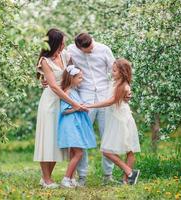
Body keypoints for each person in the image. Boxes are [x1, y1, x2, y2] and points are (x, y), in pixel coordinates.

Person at [33, 28, 87, 189]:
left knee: (58, 140)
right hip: (50, 103)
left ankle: (46, 178)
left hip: (63, 102)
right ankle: (46, 179)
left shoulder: (65, 56)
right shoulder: (45, 60)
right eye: (62, 42)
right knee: (47, 139)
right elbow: (55, 88)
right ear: (54, 43)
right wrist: (75, 103)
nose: (64, 45)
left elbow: (72, 74)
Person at [67, 33, 116, 185]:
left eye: (91, 48)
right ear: (78, 47)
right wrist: (45, 80)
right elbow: (61, 69)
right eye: (86, 50)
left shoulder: (103, 49)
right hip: (84, 99)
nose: (90, 51)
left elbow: (116, 71)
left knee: (107, 137)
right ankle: (82, 177)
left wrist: (123, 91)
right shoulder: (70, 51)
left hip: (105, 97)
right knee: (81, 139)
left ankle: (108, 176)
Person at [87, 58, 141, 185]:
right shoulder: (114, 83)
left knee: (117, 150)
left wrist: (91, 105)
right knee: (116, 150)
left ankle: (128, 175)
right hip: (114, 118)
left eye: (115, 71)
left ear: (122, 72)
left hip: (120, 119)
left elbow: (111, 101)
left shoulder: (123, 86)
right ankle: (128, 176)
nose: (112, 72)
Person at [58, 65, 97, 188]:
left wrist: (81, 108)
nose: (82, 80)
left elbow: (77, 106)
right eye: (79, 77)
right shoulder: (67, 92)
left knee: (75, 152)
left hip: (76, 125)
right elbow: (64, 110)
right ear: (71, 78)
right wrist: (78, 108)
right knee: (79, 153)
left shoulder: (74, 91)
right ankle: (66, 179)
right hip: (70, 125)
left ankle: (71, 179)